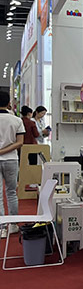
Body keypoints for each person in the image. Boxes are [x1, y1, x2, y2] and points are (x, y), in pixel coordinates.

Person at [0, 91, 24, 238]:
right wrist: (3, 151)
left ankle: (1, 227)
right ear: (9, 103)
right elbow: (20, 143)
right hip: (11, 159)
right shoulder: (16, 120)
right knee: (11, 192)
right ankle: (13, 225)